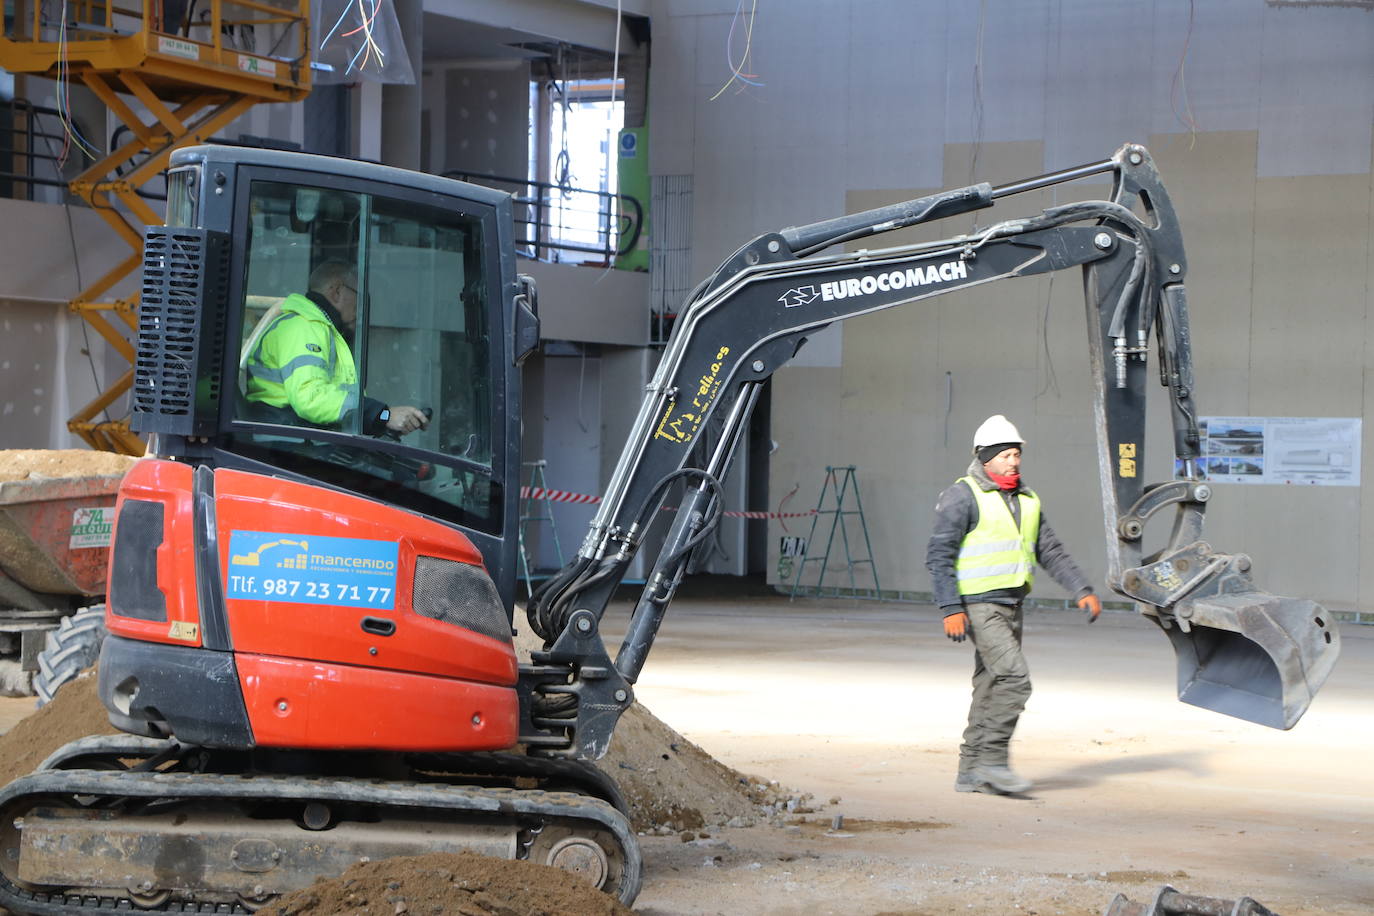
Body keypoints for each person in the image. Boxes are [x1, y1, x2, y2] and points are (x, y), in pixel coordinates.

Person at [925, 414, 1102, 796]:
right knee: (1015, 679)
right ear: (985, 458)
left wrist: (1080, 588)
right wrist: (950, 608)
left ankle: (970, 771)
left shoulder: (1027, 499)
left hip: (1011, 604)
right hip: (978, 606)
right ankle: (993, 763)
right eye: (1005, 455)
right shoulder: (963, 496)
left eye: (1016, 454)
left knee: (990, 685)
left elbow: (1049, 550)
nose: (1013, 462)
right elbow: (939, 555)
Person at [243, 261, 428, 437]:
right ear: (337, 292)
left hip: (301, 438)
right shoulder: (305, 327)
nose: (362, 307)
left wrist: (382, 420)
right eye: (360, 296)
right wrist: (384, 415)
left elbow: (339, 406)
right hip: (286, 443)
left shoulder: (324, 330)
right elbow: (311, 399)